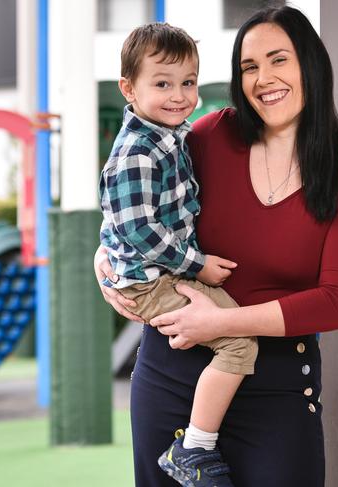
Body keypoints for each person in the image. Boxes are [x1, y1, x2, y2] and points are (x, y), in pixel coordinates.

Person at [94, 6, 338, 487]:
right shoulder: (208, 136)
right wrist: (103, 260)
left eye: (278, 60)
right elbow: (135, 201)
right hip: (171, 372)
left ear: (310, 64)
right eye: (249, 67)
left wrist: (222, 322)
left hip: (277, 389)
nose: (264, 78)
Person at [98, 23, 257, 486]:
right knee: (239, 340)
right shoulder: (137, 151)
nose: (178, 95)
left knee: (231, 331)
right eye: (162, 84)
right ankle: (195, 448)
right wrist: (198, 265)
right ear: (129, 89)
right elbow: (139, 230)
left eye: (188, 82)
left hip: (158, 271)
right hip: (152, 278)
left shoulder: (173, 136)